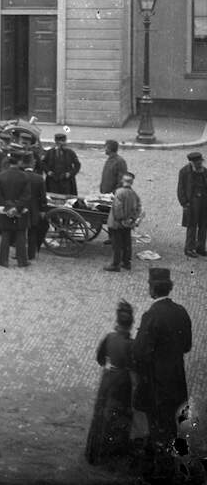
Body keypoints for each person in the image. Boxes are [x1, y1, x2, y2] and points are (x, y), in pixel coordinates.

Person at [132, 267, 192, 454]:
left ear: (152, 288)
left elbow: (140, 353)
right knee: (171, 424)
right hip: (176, 380)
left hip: (156, 385)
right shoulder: (181, 312)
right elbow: (186, 346)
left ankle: (160, 468)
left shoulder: (151, 316)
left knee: (158, 426)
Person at [84, 300, 135, 467]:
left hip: (107, 380)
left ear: (117, 321)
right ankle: (113, 455)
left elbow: (99, 358)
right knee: (118, 417)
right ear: (131, 324)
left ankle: (94, 453)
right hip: (123, 382)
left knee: (101, 414)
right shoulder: (131, 345)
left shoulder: (109, 337)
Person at [0, 149, 30, 268]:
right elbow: (27, 195)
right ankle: (22, 261)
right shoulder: (24, 176)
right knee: (20, 235)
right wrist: (17, 207)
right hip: (20, 210)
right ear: (19, 162)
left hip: (5, 209)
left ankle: (3, 260)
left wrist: (7, 206)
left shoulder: (1, 175)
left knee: (5, 235)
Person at [104, 172, 142, 272]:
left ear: (122, 181)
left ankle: (115, 264)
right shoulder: (134, 194)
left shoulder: (119, 192)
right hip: (128, 223)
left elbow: (117, 209)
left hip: (117, 224)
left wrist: (121, 219)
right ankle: (126, 263)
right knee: (126, 244)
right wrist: (131, 219)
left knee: (117, 245)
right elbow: (138, 208)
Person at [177, 151, 207, 258]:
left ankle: (200, 248)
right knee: (192, 225)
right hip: (192, 202)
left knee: (204, 225)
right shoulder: (184, 172)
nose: (200, 164)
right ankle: (189, 249)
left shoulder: (205, 171)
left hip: (204, 201)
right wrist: (184, 203)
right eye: (198, 162)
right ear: (192, 162)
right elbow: (180, 189)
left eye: (201, 162)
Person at [22, 153, 49, 262]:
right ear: (32, 163)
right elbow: (43, 197)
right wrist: (43, 209)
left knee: (21, 232)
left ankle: (20, 252)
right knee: (33, 231)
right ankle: (31, 254)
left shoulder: (20, 176)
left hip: (22, 207)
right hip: (34, 208)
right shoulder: (39, 178)